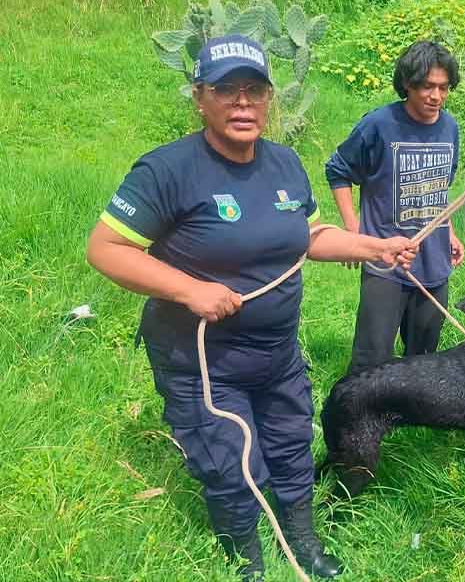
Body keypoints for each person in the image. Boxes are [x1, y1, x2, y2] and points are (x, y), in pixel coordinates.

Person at [86, 34, 417, 581]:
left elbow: (308, 236)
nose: (242, 103)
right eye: (226, 90)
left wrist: (372, 246)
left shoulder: (284, 164)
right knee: (227, 461)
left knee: (291, 445)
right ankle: (247, 558)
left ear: (268, 99)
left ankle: (302, 540)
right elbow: (105, 248)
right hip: (202, 363)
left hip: (276, 353)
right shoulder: (167, 170)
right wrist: (189, 290)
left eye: (255, 90)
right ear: (200, 98)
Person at [325, 41, 464, 375]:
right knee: (371, 360)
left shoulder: (450, 128)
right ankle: (357, 404)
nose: (436, 96)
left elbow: (439, 187)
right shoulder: (379, 125)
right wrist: (354, 233)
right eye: (427, 86)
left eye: (443, 87)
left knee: (423, 358)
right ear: (407, 84)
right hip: (384, 261)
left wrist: (449, 233)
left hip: (433, 260)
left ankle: (408, 407)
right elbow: (338, 171)